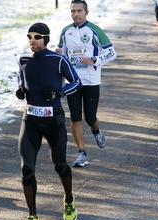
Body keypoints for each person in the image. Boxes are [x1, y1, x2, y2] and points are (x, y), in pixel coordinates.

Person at [16, 22, 81, 220]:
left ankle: (69, 199)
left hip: (54, 120)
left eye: (37, 36)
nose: (32, 40)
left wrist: (59, 93)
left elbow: (76, 82)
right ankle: (32, 217)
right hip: (30, 120)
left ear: (46, 39)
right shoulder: (23, 59)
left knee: (60, 165)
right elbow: (21, 79)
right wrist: (20, 89)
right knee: (27, 169)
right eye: (29, 36)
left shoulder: (58, 60)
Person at [56, 0, 116, 167]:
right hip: (73, 81)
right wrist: (58, 55)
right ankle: (82, 153)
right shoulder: (65, 31)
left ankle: (95, 130)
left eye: (79, 11)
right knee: (75, 119)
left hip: (91, 80)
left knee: (89, 118)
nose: (76, 14)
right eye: (73, 11)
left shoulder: (94, 30)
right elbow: (62, 55)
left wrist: (94, 59)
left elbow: (112, 53)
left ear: (86, 12)